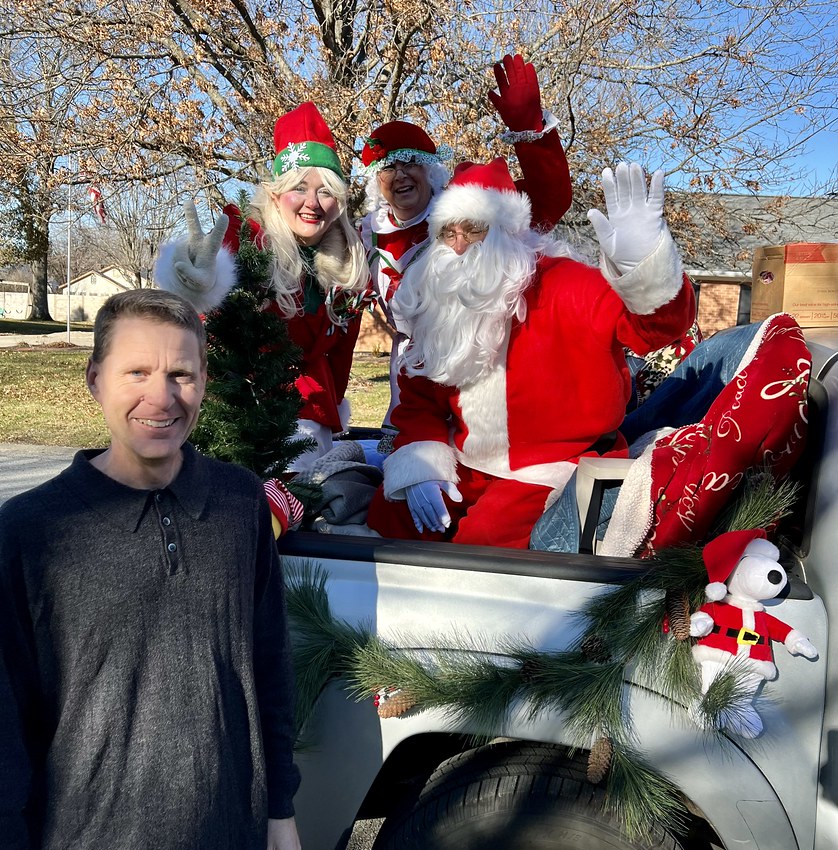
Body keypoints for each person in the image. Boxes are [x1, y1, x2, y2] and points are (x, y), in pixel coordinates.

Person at [0, 289, 301, 850]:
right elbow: (1, 737)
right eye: (136, 373)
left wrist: (280, 809)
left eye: (182, 374)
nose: (161, 397)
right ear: (95, 381)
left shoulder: (236, 504)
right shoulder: (31, 535)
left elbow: (267, 664)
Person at [366, 159, 697, 549]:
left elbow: (654, 330)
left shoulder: (568, 283)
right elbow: (420, 399)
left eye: (473, 229)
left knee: (484, 546)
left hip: (554, 465)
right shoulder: (441, 297)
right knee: (390, 517)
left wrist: (643, 267)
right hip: (468, 460)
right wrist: (420, 465)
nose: (457, 246)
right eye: (446, 232)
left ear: (508, 231)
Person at [359, 54, 574, 433]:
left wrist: (531, 132)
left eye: (411, 162)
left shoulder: (464, 211)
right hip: (411, 383)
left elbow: (547, 202)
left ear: (431, 169)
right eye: (388, 167)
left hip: (479, 366)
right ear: (375, 182)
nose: (401, 174)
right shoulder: (364, 234)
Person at [156, 102, 371, 469]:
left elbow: (341, 355)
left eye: (326, 191)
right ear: (275, 193)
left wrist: (333, 413)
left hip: (310, 419)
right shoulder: (246, 236)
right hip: (238, 422)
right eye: (299, 187)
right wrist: (197, 286)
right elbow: (200, 313)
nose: (313, 204)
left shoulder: (348, 262)